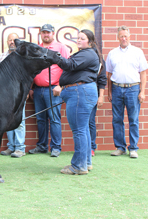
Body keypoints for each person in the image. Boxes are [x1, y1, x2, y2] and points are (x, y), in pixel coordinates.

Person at [53, 29, 102, 175]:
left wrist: (54, 57)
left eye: (82, 38)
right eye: (78, 38)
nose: (79, 40)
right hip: (81, 92)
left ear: (90, 41)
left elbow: (69, 65)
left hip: (79, 93)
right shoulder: (87, 53)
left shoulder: (87, 53)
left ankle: (78, 166)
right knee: (83, 129)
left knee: (79, 130)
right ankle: (85, 162)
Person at [28, 24, 70, 157]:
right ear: (41, 34)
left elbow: (68, 67)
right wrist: (30, 88)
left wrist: (61, 85)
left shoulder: (60, 47)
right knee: (40, 119)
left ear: (53, 33)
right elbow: (31, 69)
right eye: (44, 32)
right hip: (38, 90)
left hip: (53, 89)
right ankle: (41, 146)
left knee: (54, 119)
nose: (46, 35)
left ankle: (56, 147)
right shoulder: (37, 48)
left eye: (48, 32)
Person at [106, 25, 147, 158]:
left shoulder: (137, 52)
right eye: (121, 36)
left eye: (125, 36)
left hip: (133, 89)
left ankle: (133, 148)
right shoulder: (112, 53)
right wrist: (109, 92)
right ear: (118, 38)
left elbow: (143, 73)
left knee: (133, 119)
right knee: (117, 119)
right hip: (117, 88)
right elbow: (109, 74)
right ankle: (120, 147)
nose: (124, 38)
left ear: (129, 36)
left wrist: (142, 91)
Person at [0, 33, 26, 158]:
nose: (12, 42)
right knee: (8, 121)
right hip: (5, 95)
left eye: (14, 40)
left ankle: (20, 148)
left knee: (19, 120)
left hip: (19, 93)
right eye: (10, 40)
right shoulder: (2, 57)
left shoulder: (23, 57)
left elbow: (27, 77)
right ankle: (11, 147)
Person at [90, 58, 107, 157]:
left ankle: (92, 147)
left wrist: (101, 96)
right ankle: (83, 147)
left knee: (90, 121)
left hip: (93, 94)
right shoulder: (79, 57)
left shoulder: (99, 60)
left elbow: (102, 79)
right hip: (79, 93)